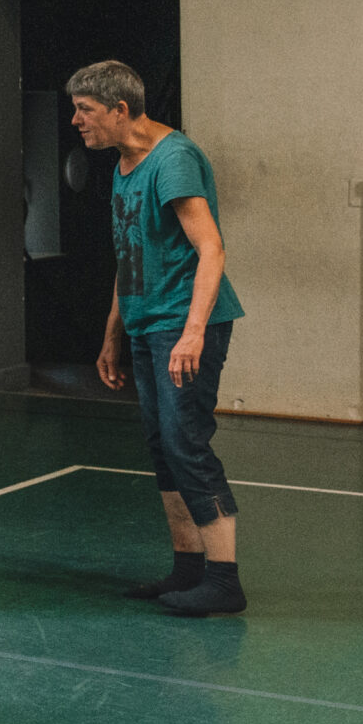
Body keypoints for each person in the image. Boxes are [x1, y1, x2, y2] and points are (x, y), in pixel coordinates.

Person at [71, 60, 248, 616]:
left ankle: (224, 581)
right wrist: (112, 334)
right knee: (163, 446)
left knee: (186, 443)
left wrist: (192, 334)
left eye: (85, 110)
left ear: (120, 109)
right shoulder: (123, 164)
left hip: (185, 323)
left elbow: (211, 249)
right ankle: (188, 569)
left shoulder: (173, 160)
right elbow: (130, 254)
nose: (76, 121)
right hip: (147, 322)